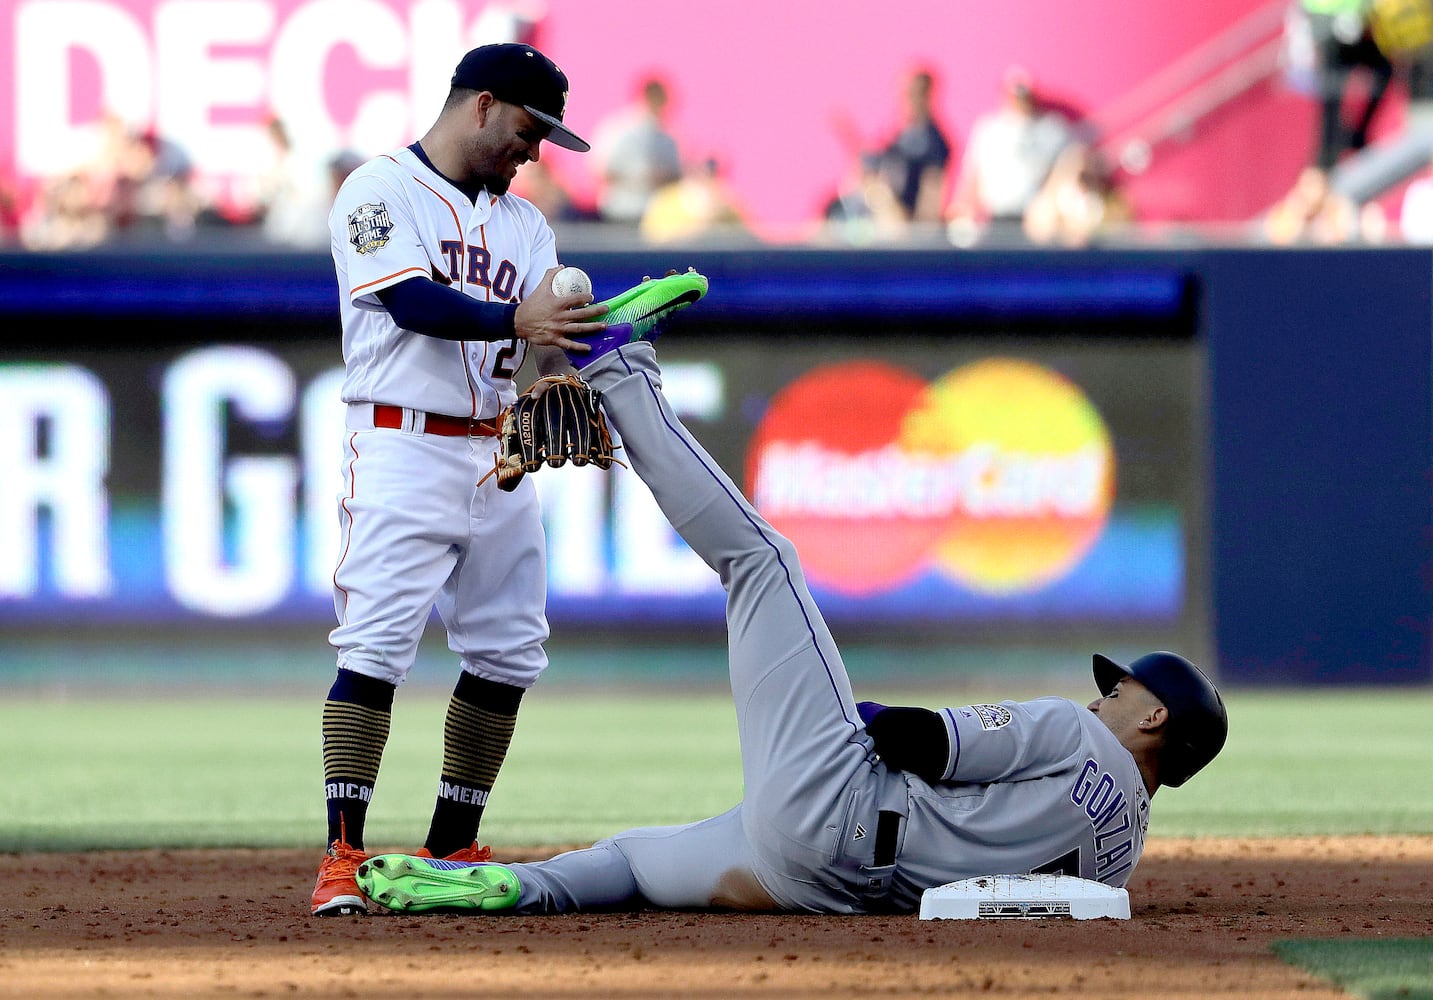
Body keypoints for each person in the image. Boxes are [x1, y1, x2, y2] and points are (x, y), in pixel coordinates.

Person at [353, 318, 1231, 917]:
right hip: (825, 887)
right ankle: (512, 890)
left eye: (1121, 688)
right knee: (633, 862)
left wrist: (845, 712)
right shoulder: (1120, 859)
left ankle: (618, 367)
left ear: (1154, 716)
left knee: (763, 562)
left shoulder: (1075, 735)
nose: (1104, 693)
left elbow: (914, 740)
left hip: (837, 806)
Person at [310, 41, 611, 917]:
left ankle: (450, 845)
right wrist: (520, 318)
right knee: (374, 647)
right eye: (527, 129)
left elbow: (544, 337)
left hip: (498, 455)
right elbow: (411, 302)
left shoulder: (526, 225)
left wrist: (555, 372)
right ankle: (342, 854)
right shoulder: (378, 190)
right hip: (400, 444)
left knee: (509, 651)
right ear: (481, 105)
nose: (534, 151)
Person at [946, 66, 1076, 246]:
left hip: (1037, 224)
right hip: (997, 218)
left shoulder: (1052, 129)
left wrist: (1049, 203)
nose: (1020, 101)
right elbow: (973, 175)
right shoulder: (989, 129)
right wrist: (963, 208)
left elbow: (1070, 168)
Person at [589, 76, 683, 224]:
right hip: (619, 210)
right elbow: (599, 169)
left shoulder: (667, 139)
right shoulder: (617, 129)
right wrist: (637, 176)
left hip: (654, 215)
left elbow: (676, 175)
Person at [874, 68, 953, 225]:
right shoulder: (899, 136)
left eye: (911, 94)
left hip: (908, 227)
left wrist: (919, 233)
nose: (904, 101)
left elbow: (932, 197)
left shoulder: (933, 142)